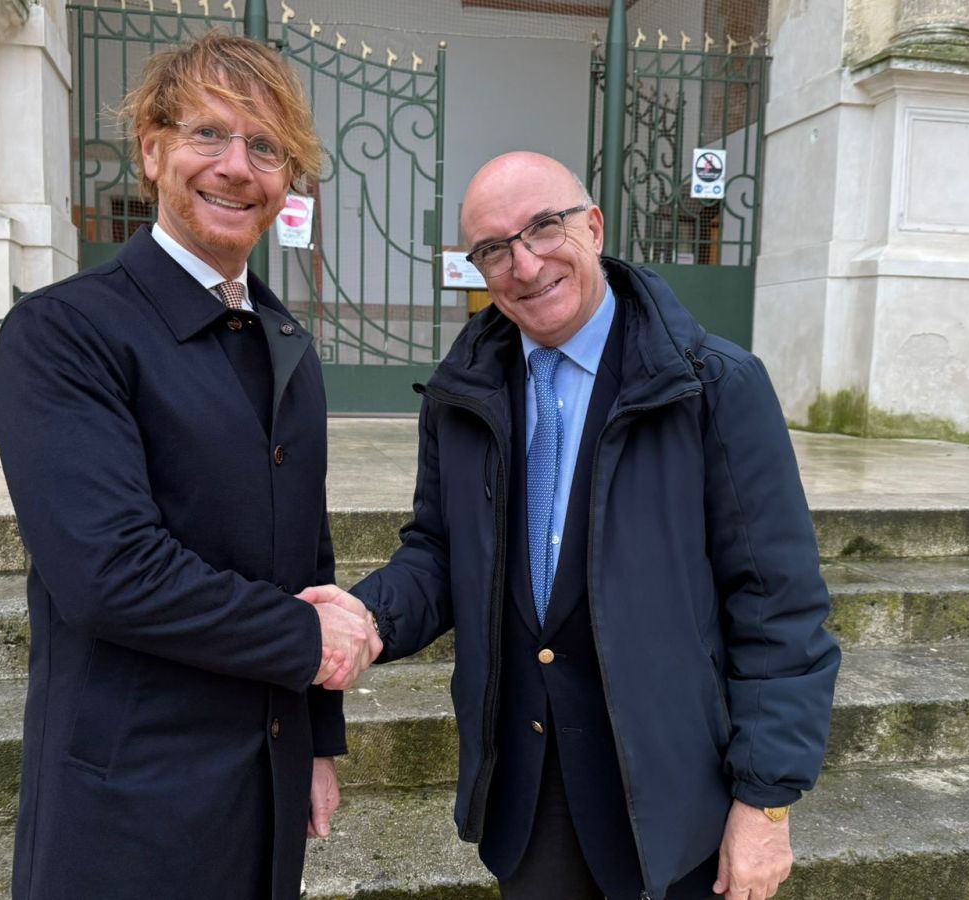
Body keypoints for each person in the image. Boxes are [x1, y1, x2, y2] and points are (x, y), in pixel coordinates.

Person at [302, 151, 840, 900]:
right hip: (529, 794)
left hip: (674, 798)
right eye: (494, 249)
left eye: (544, 228)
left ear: (594, 226)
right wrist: (367, 618)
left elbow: (777, 605)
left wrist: (766, 801)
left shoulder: (714, 386)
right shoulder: (462, 396)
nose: (525, 265)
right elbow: (441, 552)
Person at [0, 31, 379, 900]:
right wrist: (309, 643)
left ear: (287, 179)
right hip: (131, 798)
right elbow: (109, 571)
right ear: (153, 150)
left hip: (266, 780)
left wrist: (316, 742)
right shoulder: (65, 332)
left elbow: (306, 560)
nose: (237, 167)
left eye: (266, 147)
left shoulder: (285, 340)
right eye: (209, 134)